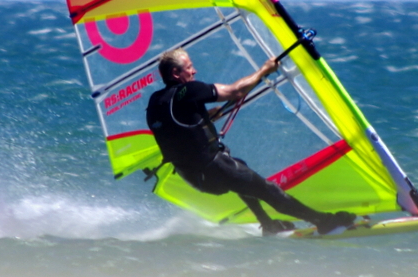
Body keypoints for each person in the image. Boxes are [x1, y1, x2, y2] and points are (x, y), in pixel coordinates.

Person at [146, 48, 358, 235]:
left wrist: (205, 117)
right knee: (268, 190)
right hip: (213, 168)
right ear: (176, 73)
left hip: (193, 176)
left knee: (240, 168)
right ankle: (324, 222)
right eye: (189, 67)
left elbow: (176, 127)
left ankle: (267, 223)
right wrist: (264, 70)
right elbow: (235, 91)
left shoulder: (156, 101)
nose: (194, 71)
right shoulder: (189, 91)